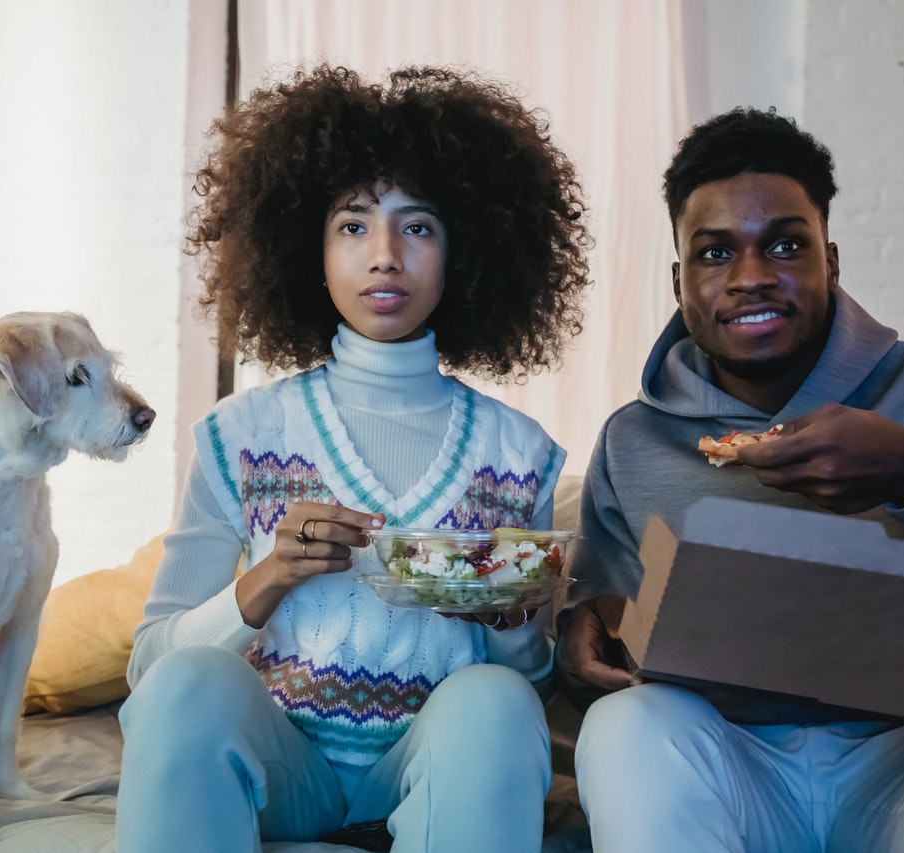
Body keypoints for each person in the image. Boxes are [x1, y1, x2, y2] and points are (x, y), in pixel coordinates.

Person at [556, 106, 904, 852]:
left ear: (829, 261)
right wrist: (576, 636)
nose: (750, 277)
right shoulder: (633, 438)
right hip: (732, 761)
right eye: (714, 254)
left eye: (783, 244)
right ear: (680, 281)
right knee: (623, 730)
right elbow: (606, 616)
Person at [114, 65, 591, 853]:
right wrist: (266, 577)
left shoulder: (521, 456)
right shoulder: (240, 435)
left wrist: (506, 623)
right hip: (281, 767)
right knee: (189, 685)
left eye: (419, 226)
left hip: (423, 769)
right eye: (353, 224)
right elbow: (150, 670)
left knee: (497, 698)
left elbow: (530, 691)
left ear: (465, 248)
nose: (385, 255)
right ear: (307, 243)